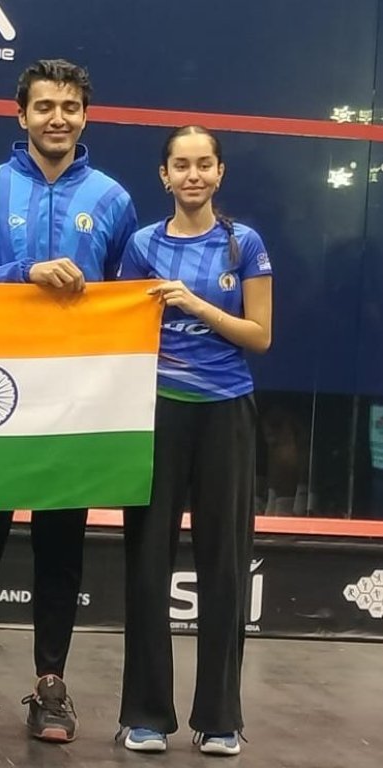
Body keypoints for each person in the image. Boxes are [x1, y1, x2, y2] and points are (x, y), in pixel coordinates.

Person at [0, 59, 137, 743]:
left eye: (70, 106)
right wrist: (23, 273)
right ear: (19, 116)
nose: (58, 117)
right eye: (44, 106)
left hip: (71, 404)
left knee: (60, 547)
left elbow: (125, 300)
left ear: (86, 116)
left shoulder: (112, 199)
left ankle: (50, 686)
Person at [117, 125, 273, 756]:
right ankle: (147, 715)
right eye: (181, 165)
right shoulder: (141, 244)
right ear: (164, 175)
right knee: (148, 565)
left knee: (224, 566)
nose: (193, 176)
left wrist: (194, 305)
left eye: (204, 165)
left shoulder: (245, 245)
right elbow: (120, 325)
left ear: (219, 173)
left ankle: (221, 719)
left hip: (226, 414)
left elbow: (259, 335)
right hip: (155, 414)